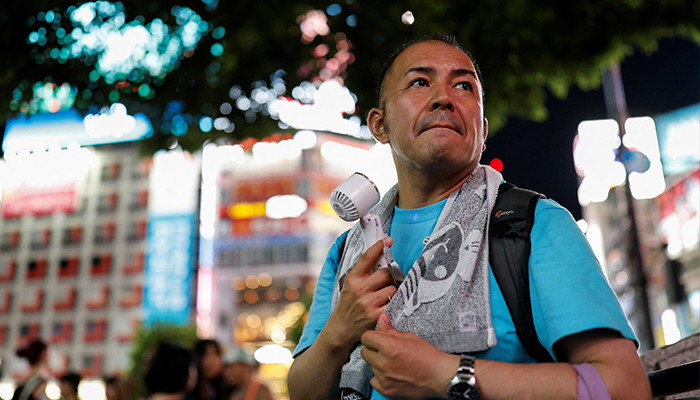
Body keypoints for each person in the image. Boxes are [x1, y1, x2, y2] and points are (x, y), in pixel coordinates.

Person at [287, 33, 651, 400]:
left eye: (464, 86)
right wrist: (337, 333)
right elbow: (302, 391)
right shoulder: (347, 253)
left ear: (483, 131)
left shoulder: (532, 225)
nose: (444, 98)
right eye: (419, 82)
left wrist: (447, 374)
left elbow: (626, 386)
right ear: (379, 125)